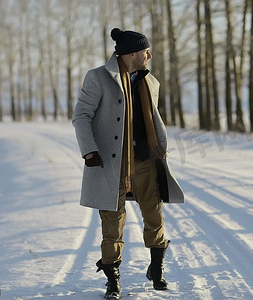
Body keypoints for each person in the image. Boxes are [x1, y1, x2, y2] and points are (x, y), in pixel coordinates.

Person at [72, 28, 184, 300]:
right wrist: (89, 151)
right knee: (112, 222)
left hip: (146, 160)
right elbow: (81, 116)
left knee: (154, 215)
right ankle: (113, 281)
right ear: (131, 54)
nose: (150, 55)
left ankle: (156, 270)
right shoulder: (98, 77)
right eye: (146, 51)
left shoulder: (151, 82)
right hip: (111, 164)